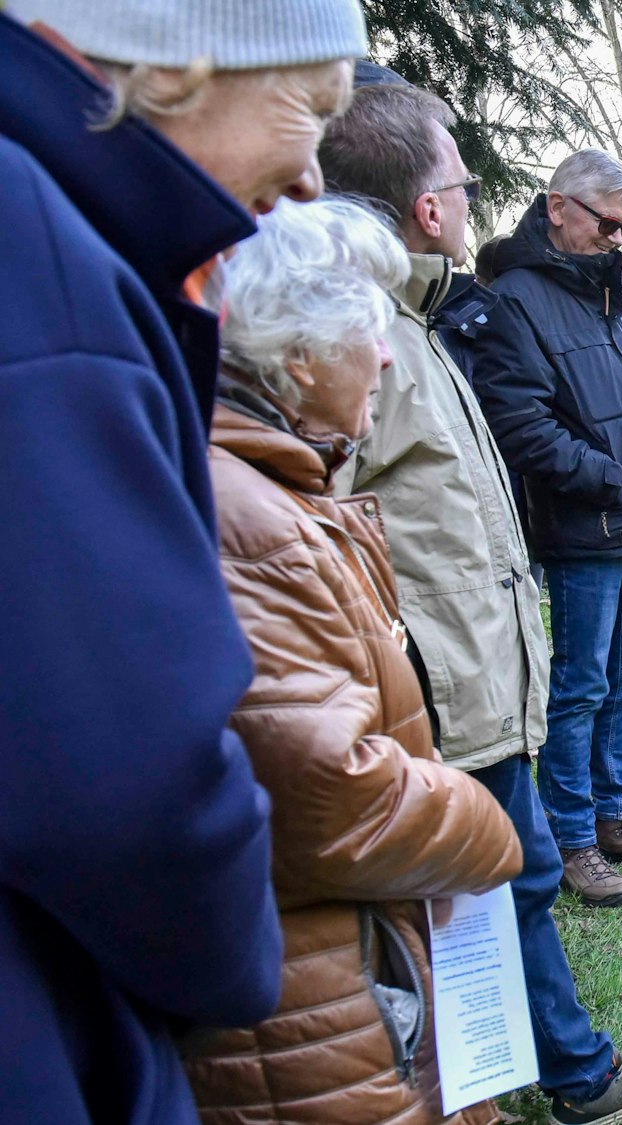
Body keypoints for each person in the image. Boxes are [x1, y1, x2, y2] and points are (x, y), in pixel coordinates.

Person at [0, 2, 369, 1118]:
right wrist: (229, 962)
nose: (311, 182)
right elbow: (120, 781)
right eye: (310, 108)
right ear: (180, 59)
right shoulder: (36, 258)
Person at [319, 83, 622, 1121]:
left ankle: (503, 1080)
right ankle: (566, 1077)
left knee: (503, 876)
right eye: (456, 178)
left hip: (487, 653)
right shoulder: (367, 328)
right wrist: (606, 477)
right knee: (510, 872)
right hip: (447, 671)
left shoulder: (423, 316)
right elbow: (337, 522)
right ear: (425, 206)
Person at [181, 194, 525, 1123]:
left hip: (343, 974)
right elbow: (327, 792)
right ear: (293, 353)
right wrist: (484, 825)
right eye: (364, 331)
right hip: (307, 1017)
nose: (383, 354)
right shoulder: (249, 519)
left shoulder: (280, 489)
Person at [466, 149, 622, 901]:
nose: (617, 240)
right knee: (579, 687)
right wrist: (604, 476)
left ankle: (617, 816)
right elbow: (517, 419)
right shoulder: (517, 297)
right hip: (589, 532)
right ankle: (571, 838)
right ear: (558, 206)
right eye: (607, 223)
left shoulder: (616, 293)